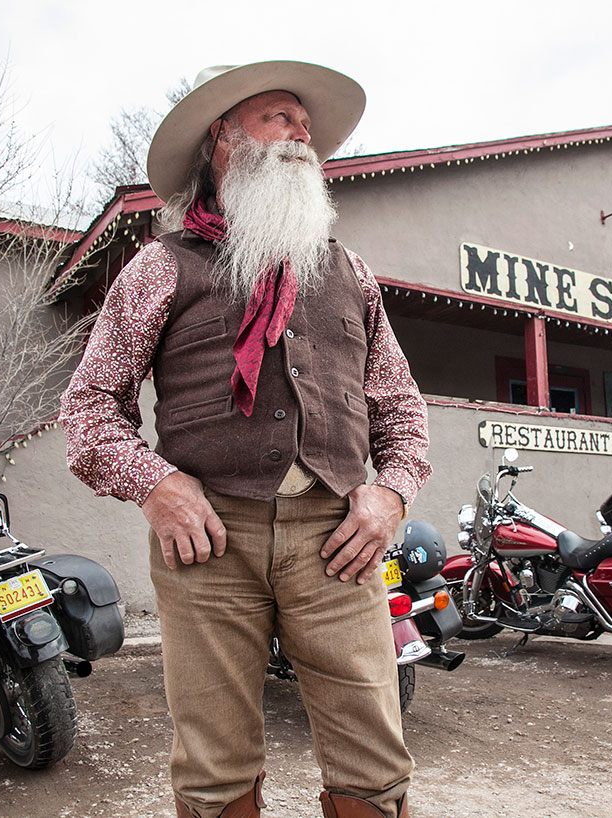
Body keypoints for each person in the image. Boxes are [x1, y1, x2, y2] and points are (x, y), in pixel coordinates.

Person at [60, 60, 430, 818]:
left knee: (373, 753)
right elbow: (89, 407)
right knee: (214, 762)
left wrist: (391, 491)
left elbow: (401, 409)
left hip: (338, 540)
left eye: (305, 125)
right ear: (223, 137)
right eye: (281, 119)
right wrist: (154, 485)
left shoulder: (350, 273)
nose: (303, 136)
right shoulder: (159, 267)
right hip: (208, 548)